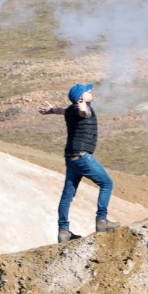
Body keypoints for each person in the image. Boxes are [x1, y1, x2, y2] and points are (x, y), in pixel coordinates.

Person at [38, 82, 117, 242]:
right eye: (88, 91)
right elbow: (84, 113)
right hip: (82, 157)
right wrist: (83, 108)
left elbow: (64, 110)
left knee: (67, 195)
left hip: (70, 158)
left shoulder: (70, 110)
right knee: (107, 184)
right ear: (82, 97)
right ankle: (102, 221)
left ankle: (63, 231)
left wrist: (53, 110)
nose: (90, 92)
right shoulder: (82, 109)